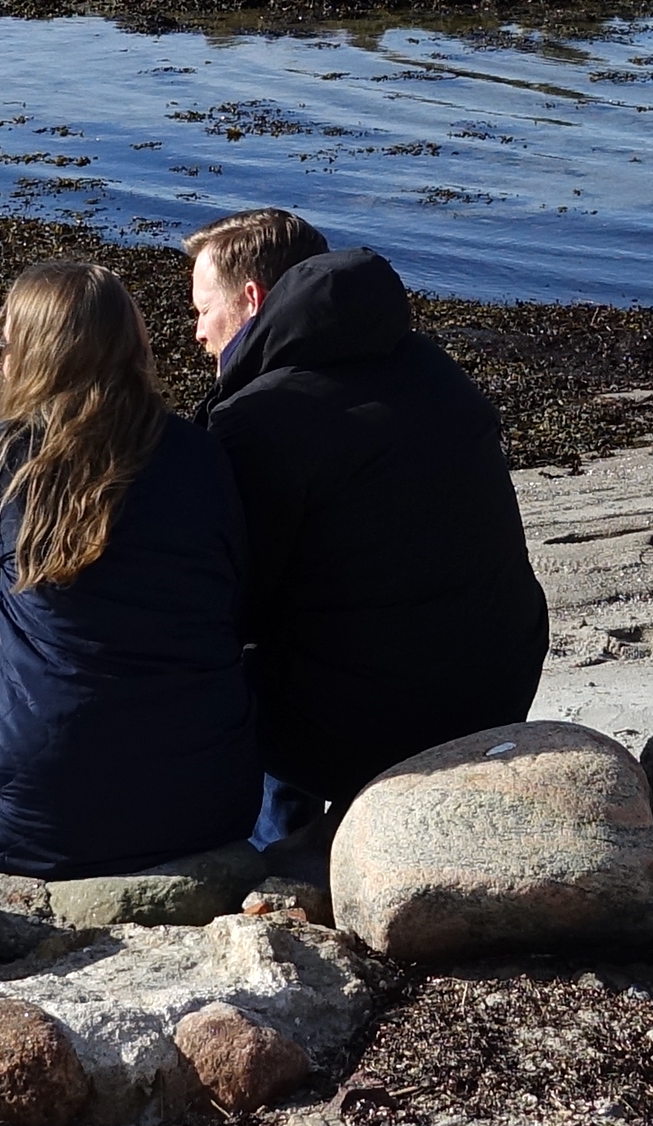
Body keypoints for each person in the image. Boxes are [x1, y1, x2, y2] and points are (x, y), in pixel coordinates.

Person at [188, 209, 551, 838]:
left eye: (202, 310)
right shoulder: (432, 368)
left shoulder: (261, 418)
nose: (197, 332)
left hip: (376, 725)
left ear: (251, 300)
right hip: (499, 687)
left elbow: (232, 601)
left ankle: (279, 851)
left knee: (210, 654)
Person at [0, 260, 260, 878]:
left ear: (29, 354)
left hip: (43, 814)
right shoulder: (202, 455)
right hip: (209, 802)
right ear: (134, 346)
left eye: (6, 342)